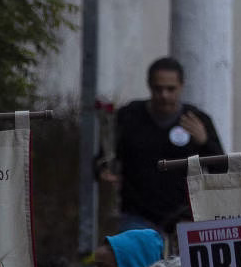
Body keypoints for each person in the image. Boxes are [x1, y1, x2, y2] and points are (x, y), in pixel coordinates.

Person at [96, 57, 223, 232]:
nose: (164, 95)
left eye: (171, 89)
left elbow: (222, 169)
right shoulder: (129, 116)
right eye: (158, 89)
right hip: (137, 215)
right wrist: (103, 171)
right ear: (149, 85)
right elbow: (104, 158)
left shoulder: (197, 119)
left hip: (185, 216)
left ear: (181, 86)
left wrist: (204, 142)